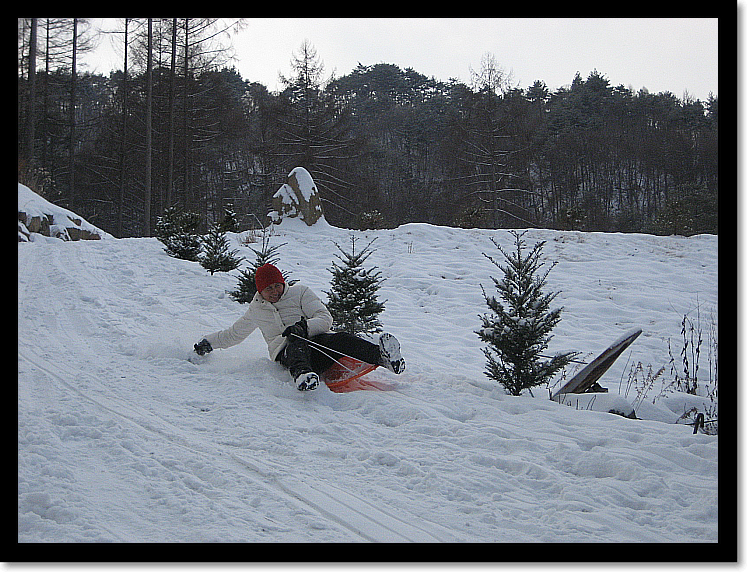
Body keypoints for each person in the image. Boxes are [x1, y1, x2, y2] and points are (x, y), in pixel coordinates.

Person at [193, 263, 405, 391]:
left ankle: (381, 357)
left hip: (316, 342)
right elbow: (234, 335)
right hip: (287, 353)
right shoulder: (256, 310)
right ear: (260, 291)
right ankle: (303, 376)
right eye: (269, 289)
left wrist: (304, 327)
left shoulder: (300, 293)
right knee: (294, 342)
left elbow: (325, 318)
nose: (275, 291)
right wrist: (209, 343)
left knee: (340, 339)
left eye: (277, 285)